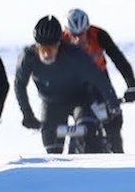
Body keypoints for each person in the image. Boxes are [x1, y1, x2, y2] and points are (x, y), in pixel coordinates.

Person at [15, 15, 121, 153]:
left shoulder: (75, 54)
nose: (47, 54)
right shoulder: (28, 57)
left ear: (59, 44)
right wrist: (27, 114)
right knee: (52, 147)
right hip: (51, 103)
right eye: (43, 49)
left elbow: (98, 79)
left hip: (81, 99)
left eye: (51, 48)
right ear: (36, 46)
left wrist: (112, 103)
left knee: (89, 133)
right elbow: (20, 85)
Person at [64, 8, 135, 152]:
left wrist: (132, 86)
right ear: (67, 32)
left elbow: (119, 59)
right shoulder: (60, 40)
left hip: (100, 82)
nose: (78, 39)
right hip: (74, 84)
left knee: (113, 118)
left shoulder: (98, 35)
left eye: (82, 34)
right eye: (74, 35)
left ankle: (117, 154)